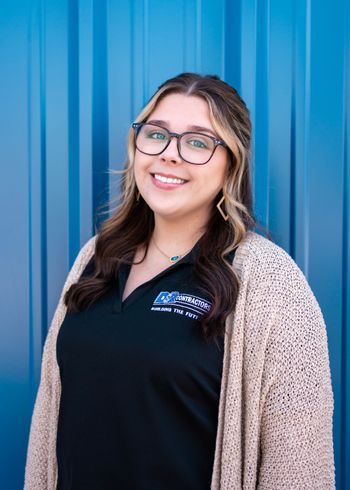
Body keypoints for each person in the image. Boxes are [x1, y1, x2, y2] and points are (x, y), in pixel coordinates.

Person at [24, 73, 335, 489]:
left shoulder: (271, 284)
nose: (170, 155)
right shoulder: (96, 257)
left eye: (198, 142)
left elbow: (299, 467)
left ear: (231, 166)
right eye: (157, 134)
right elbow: (50, 415)